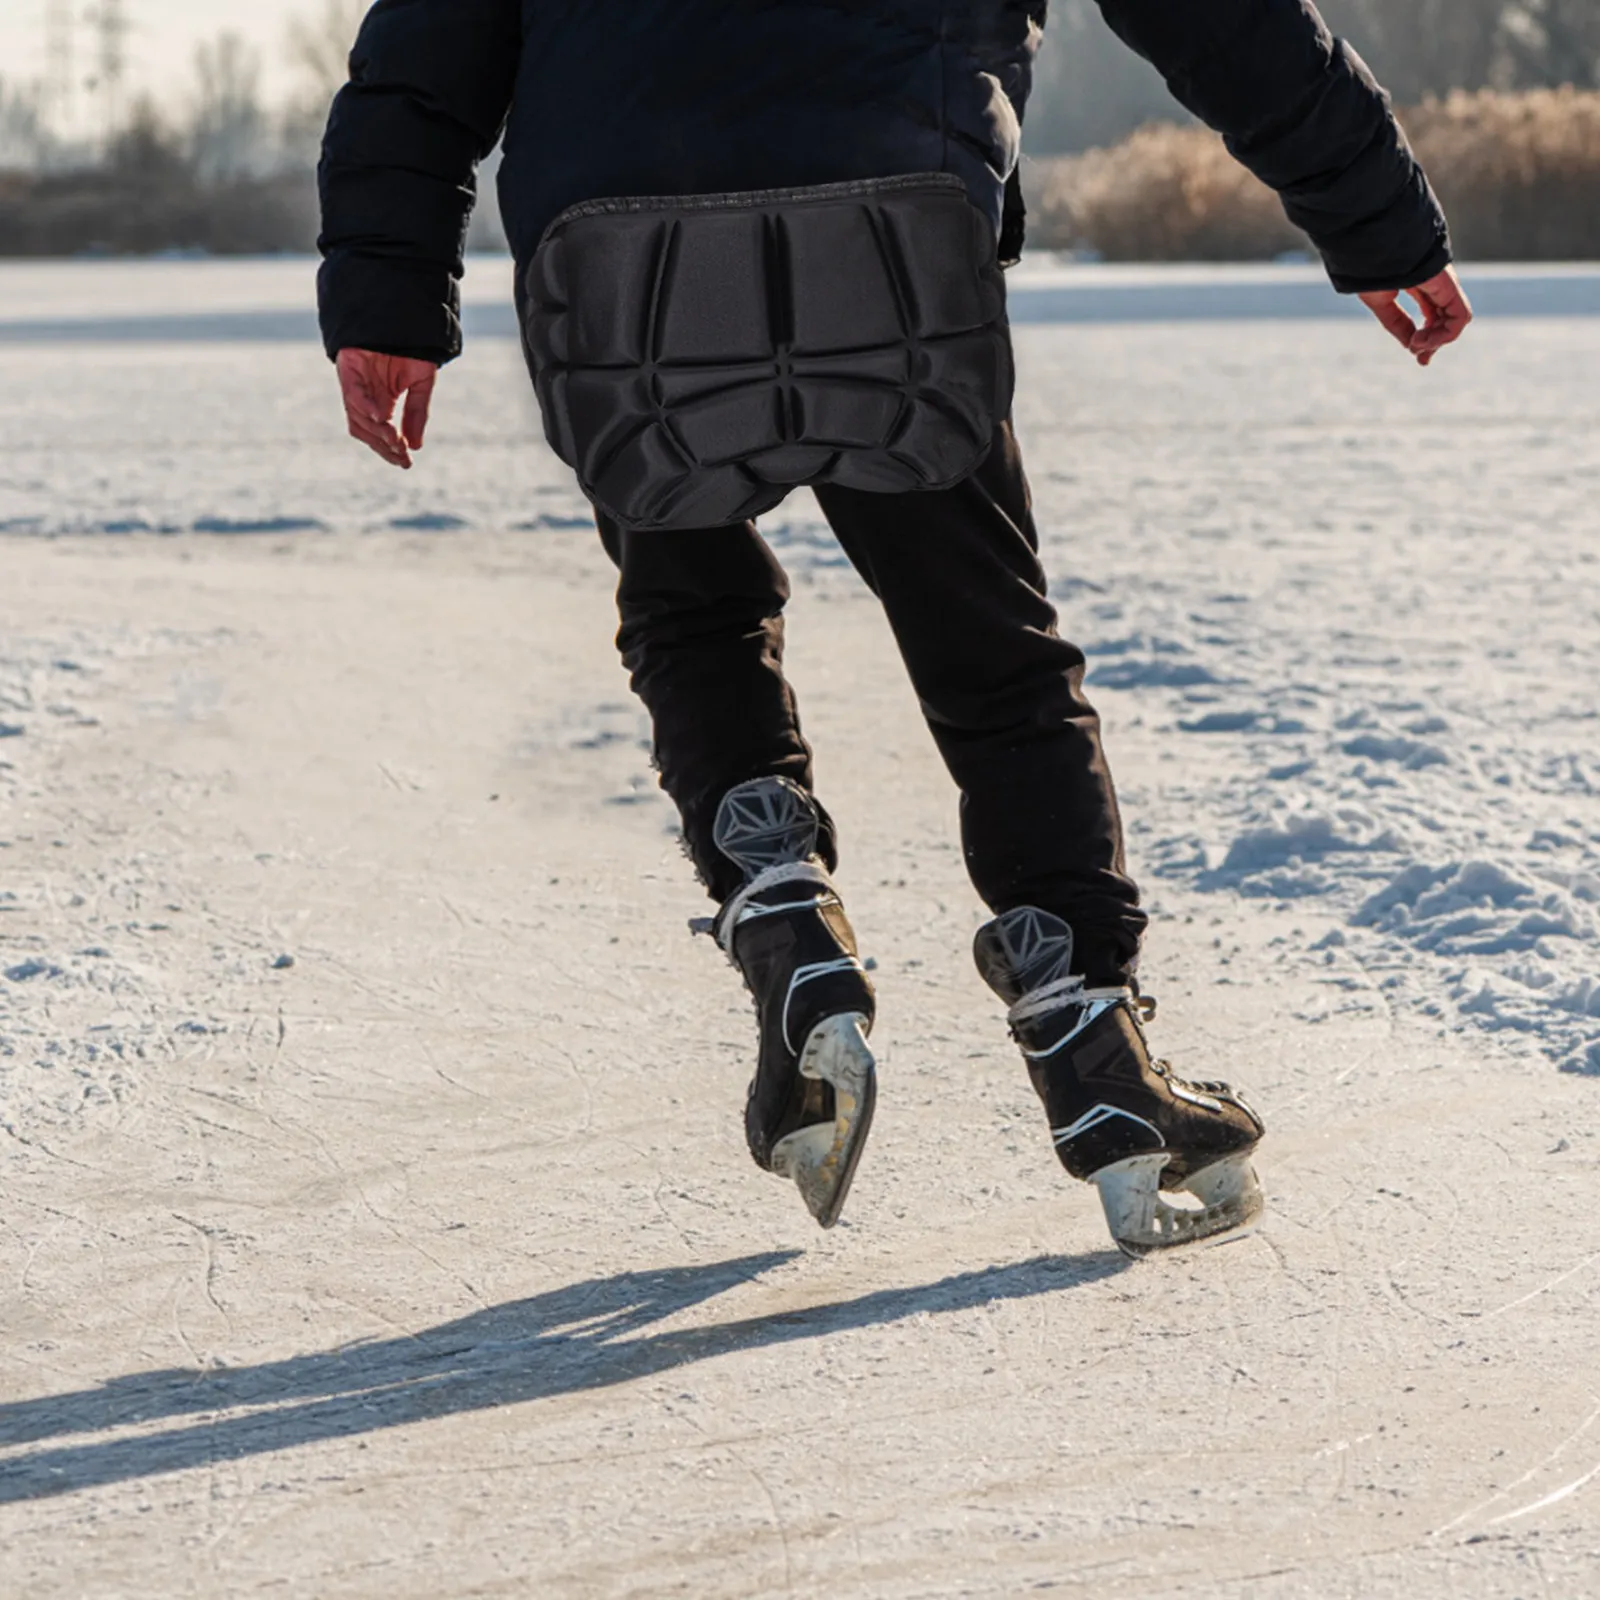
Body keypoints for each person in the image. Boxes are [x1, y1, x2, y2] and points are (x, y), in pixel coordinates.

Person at [318, 0, 1472, 1254]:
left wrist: (383, 299)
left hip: (622, 244)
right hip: (892, 223)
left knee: (691, 610)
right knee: (994, 653)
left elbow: (424, 61)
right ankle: (1088, 1031)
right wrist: (1374, 217)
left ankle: (782, 910)